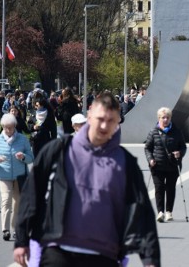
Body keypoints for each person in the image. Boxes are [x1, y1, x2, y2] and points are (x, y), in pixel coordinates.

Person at [13, 92, 160, 267]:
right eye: (100, 119)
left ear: (117, 123)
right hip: (58, 249)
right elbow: (31, 194)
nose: (105, 125)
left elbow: (142, 210)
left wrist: (150, 258)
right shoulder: (58, 151)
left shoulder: (125, 162)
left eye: (111, 121)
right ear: (89, 115)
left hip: (104, 254)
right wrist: (21, 240)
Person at [0, 113, 34, 241]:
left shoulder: (22, 139)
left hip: (20, 177)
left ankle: (15, 229)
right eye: (6, 127)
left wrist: (23, 156)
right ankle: (5, 229)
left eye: (11, 127)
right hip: (4, 176)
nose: (8, 130)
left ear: (15, 126)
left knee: (17, 203)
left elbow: (31, 158)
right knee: (6, 201)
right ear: (2, 127)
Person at [144, 107, 187, 223]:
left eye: (167, 117)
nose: (165, 119)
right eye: (163, 117)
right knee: (159, 188)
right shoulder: (153, 132)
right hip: (157, 166)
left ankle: (169, 211)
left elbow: (183, 146)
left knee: (170, 188)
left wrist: (180, 153)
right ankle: (160, 212)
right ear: (159, 118)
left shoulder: (177, 131)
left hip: (173, 165)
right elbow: (147, 148)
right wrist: (150, 159)